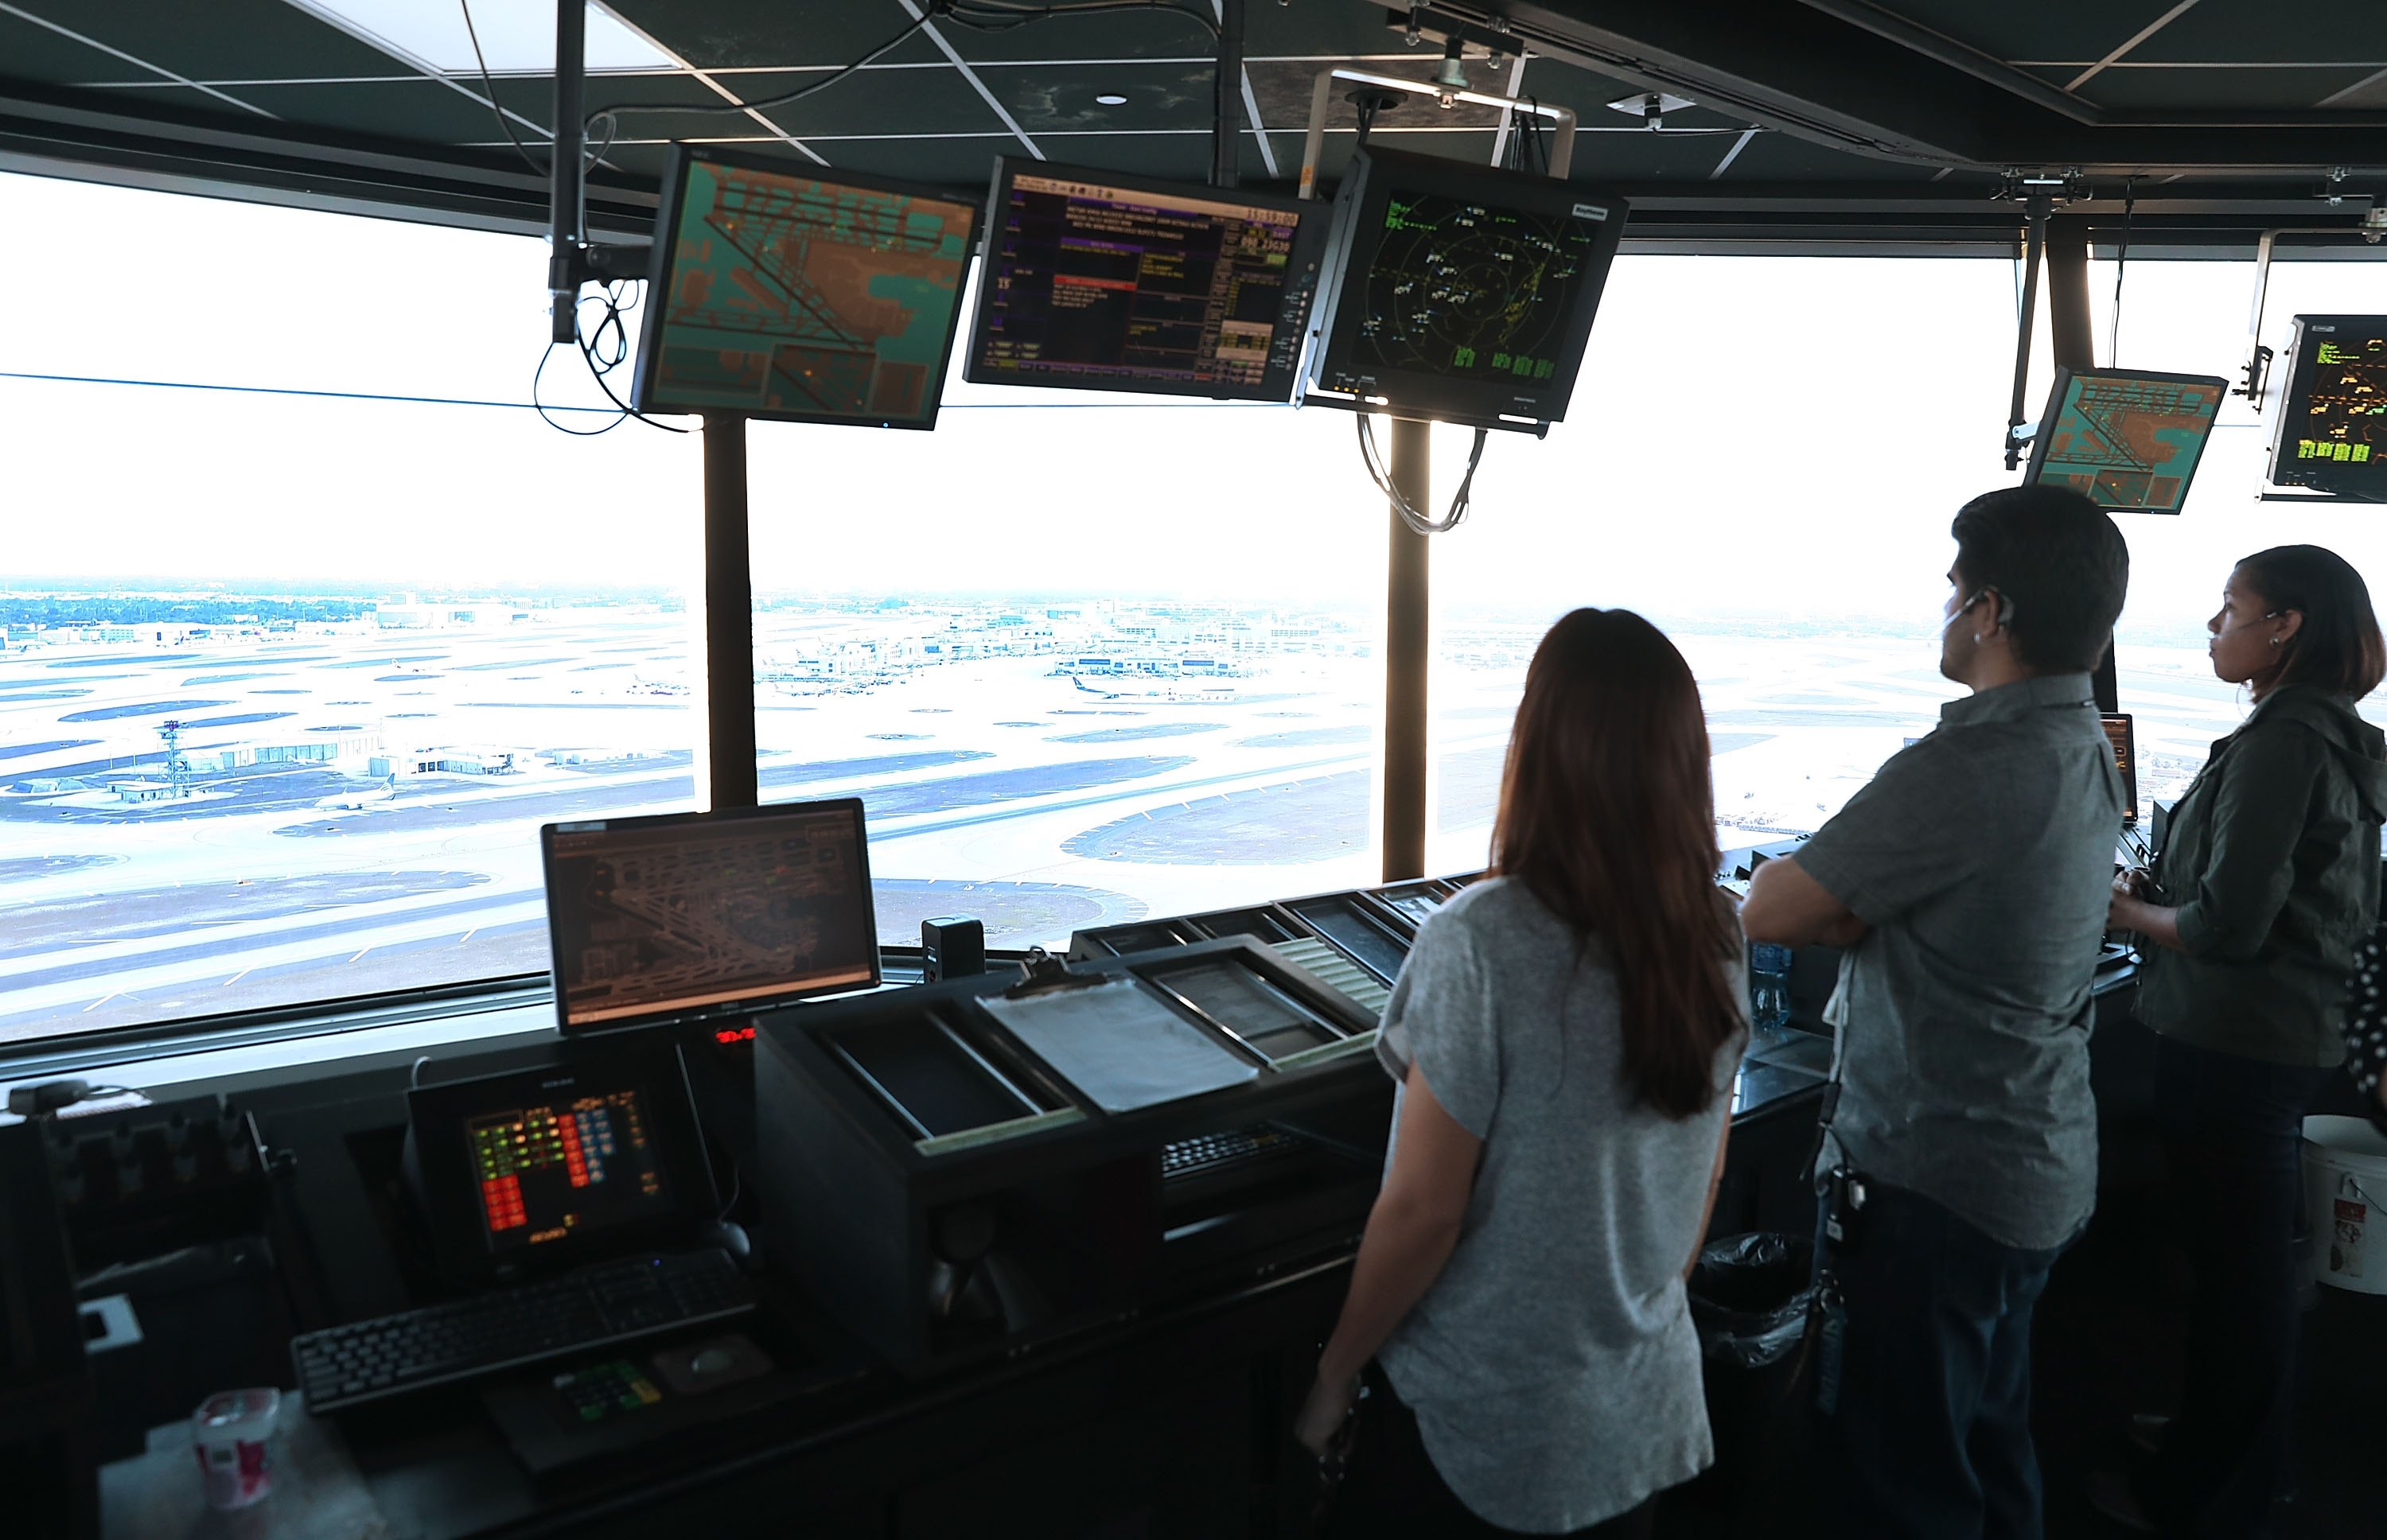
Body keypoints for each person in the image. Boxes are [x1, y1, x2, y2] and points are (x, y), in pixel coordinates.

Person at [1293, 608, 1746, 1538]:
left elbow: (1424, 1212)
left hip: (1488, 1437)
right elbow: (1704, 1172)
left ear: (1537, 749)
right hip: (1639, 1420)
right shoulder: (1716, 932)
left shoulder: (1479, 939)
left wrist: (1334, 1376)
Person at [1740, 484, 2128, 1539]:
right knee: (1988, 1447)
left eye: (1955, 590)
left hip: (1932, 1184)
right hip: (2033, 1165)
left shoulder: (1967, 764)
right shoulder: (2084, 744)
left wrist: (1803, 883)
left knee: (1899, 1480)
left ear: (1990, 611)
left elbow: (1776, 909)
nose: (1947, 610)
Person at [2095, 546, 2387, 1537]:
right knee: (2246, 1270)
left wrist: (2129, 915)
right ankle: (2235, 1457)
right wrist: (2165, 896)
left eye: (2230, 609)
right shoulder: (2330, 731)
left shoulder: (2281, 741)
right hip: (2281, 1034)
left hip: (2236, 1039)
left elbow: (2227, 927)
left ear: (2285, 625)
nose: (2214, 628)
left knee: (2240, 1280)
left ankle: (2214, 1493)